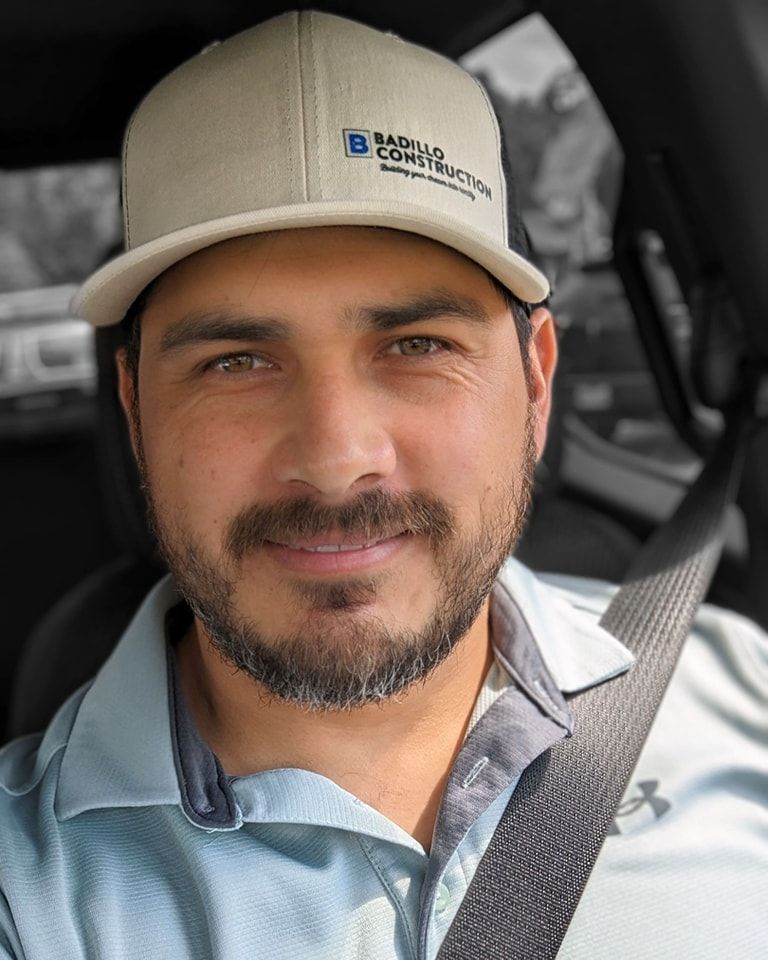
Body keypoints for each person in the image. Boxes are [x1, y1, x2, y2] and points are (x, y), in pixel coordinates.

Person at [0, 11, 765, 960]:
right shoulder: (22, 890)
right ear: (134, 407)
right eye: (237, 362)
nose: (334, 458)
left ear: (535, 381)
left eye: (417, 347)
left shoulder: (746, 703)